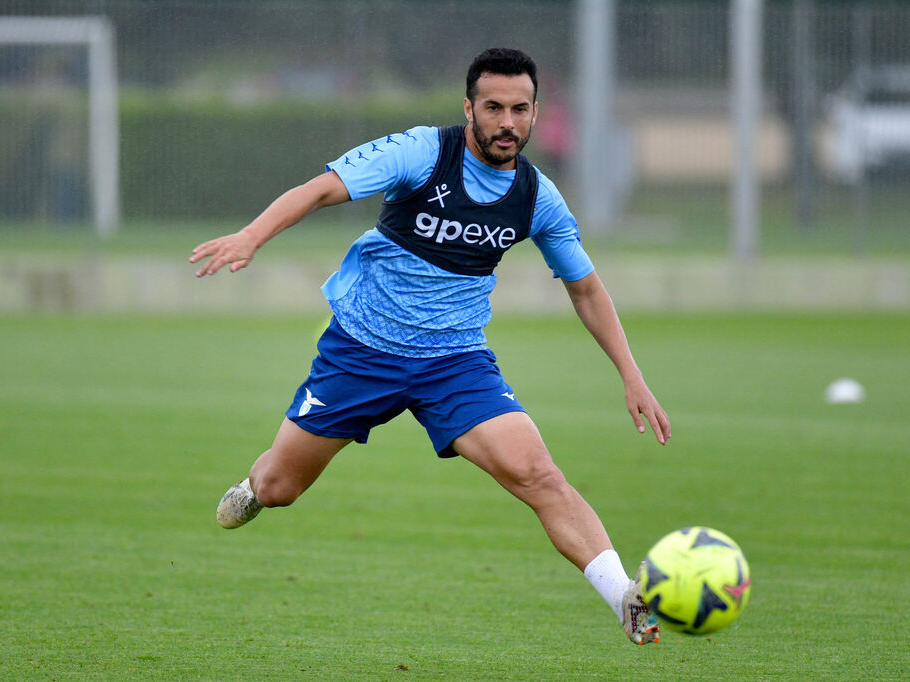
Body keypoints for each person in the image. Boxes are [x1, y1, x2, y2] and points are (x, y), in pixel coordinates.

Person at [190, 47, 670, 646]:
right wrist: (251, 236)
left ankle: (624, 596)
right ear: (469, 108)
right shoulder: (421, 152)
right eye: (493, 108)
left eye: (520, 109)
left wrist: (631, 375)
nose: (507, 123)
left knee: (539, 474)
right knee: (280, 487)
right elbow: (319, 190)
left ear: (535, 112)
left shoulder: (536, 197)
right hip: (362, 352)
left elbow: (587, 289)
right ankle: (254, 487)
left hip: (455, 363)